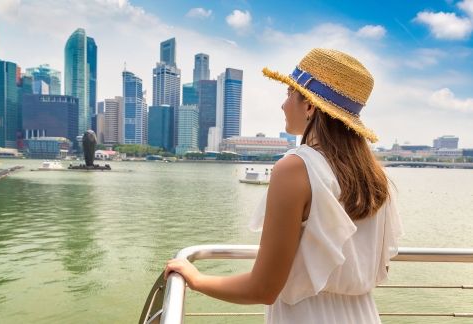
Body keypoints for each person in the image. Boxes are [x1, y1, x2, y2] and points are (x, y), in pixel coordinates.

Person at [164, 48, 403, 323]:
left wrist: (195, 278)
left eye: (290, 93)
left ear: (310, 105)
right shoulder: (374, 176)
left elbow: (263, 288)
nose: (283, 104)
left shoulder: (296, 168)